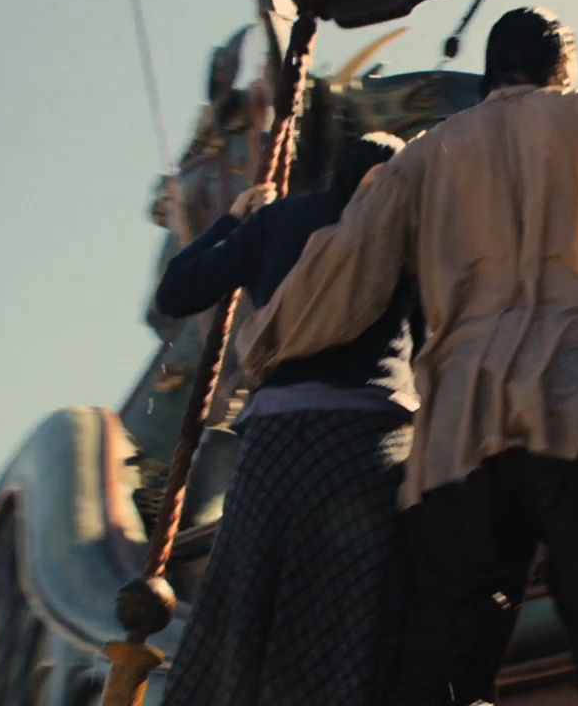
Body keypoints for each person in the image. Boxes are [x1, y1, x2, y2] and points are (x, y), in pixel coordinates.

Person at [235, 6, 578, 706]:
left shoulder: (423, 158)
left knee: (439, 671)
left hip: (458, 431)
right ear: (562, 67)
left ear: (492, 70)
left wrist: (261, 343)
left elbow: (342, 270)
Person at [154, 132, 422, 706]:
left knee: (245, 601)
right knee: (351, 615)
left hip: (273, 445)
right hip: (365, 446)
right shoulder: (406, 228)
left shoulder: (278, 221)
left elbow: (176, 292)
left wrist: (234, 221)